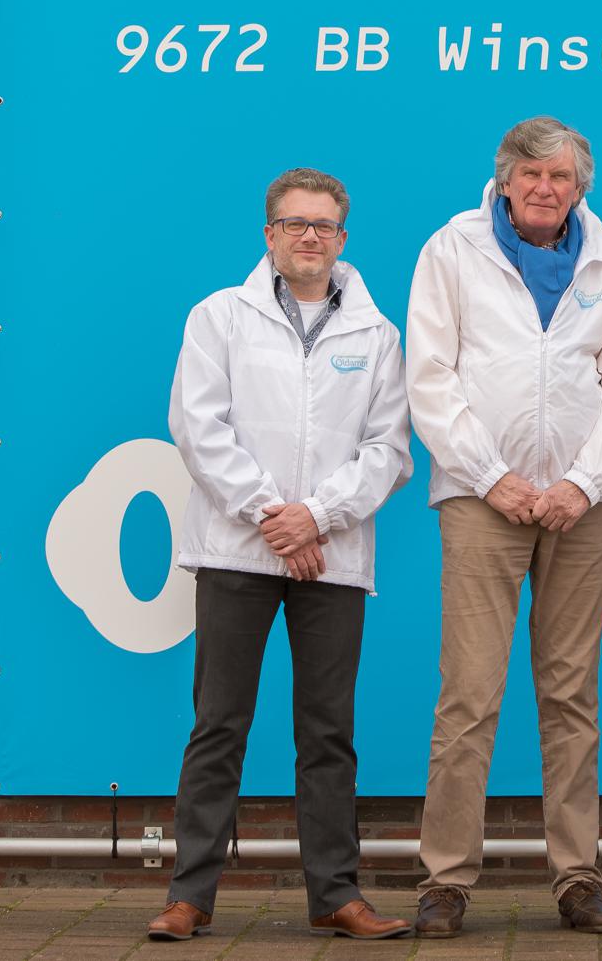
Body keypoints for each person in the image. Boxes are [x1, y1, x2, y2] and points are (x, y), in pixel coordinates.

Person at [406, 116, 602, 936]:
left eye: (561, 177)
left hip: (581, 508)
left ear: (579, 188)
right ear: (506, 181)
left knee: (571, 695)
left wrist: (583, 483)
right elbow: (430, 378)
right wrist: (493, 477)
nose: (545, 188)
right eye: (531, 174)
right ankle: (446, 881)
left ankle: (578, 878)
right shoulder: (452, 250)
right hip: (482, 501)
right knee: (469, 696)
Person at [147, 168, 414, 943]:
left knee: (327, 732)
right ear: (269, 235)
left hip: (330, 555)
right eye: (295, 223)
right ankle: (190, 897)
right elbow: (198, 427)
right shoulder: (219, 317)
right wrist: (274, 517)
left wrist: (316, 518)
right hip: (238, 552)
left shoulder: (377, 334)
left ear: (342, 238)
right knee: (218, 724)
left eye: (323, 225)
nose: (309, 237)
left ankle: (335, 895)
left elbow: (389, 450)